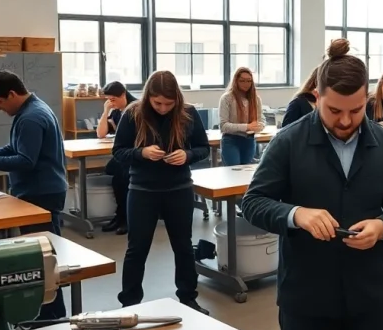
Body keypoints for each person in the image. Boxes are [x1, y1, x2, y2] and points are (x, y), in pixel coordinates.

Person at [241, 39, 383, 330]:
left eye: (356, 110)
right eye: (334, 110)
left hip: (368, 293)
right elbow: (254, 202)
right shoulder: (288, 141)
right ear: (316, 98)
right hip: (306, 295)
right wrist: (296, 214)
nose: (345, 120)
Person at [0, 71, 68, 320]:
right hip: (41, 191)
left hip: (41, 195)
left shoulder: (31, 117)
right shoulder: (31, 110)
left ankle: (52, 317)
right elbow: (16, 148)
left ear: (12, 94)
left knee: (43, 259)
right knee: (41, 256)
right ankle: (47, 314)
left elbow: (26, 160)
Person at [112, 70, 211, 315]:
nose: (164, 108)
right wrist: (141, 153)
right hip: (142, 190)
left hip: (178, 189)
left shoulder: (188, 113)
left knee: (183, 246)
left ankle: (188, 298)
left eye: (169, 103)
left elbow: (203, 148)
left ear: (177, 98)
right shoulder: (133, 113)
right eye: (158, 103)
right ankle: (129, 303)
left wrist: (187, 155)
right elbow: (118, 152)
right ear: (148, 98)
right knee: (137, 248)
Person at [97, 81, 136, 235]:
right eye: (108, 100)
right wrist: (106, 111)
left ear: (123, 95)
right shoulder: (117, 110)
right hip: (123, 153)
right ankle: (119, 217)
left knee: (122, 179)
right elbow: (101, 134)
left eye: (113, 99)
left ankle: (126, 218)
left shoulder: (135, 108)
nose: (110, 103)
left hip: (134, 155)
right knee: (114, 175)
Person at [219, 67, 266, 165]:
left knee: (246, 172)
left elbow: (261, 119)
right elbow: (223, 126)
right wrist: (247, 126)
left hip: (249, 140)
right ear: (236, 81)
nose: (246, 84)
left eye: (249, 81)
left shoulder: (255, 99)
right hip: (231, 140)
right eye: (242, 81)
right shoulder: (227, 98)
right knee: (234, 172)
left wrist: (259, 125)